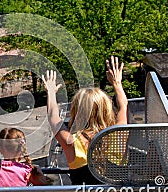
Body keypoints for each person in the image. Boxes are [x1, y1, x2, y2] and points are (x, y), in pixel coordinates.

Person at [41, 56, 128, 185]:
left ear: (76, 111)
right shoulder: (118, 133)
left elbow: (53, 117)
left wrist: (51, 92)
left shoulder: (71, 141)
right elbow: (123, 106)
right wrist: (117, 83)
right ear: (107, 109)